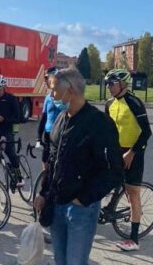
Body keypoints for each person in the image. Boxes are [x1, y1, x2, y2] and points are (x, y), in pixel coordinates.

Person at [33, 67, 123, 265]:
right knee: (60, 260)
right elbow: (53, 162)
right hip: (56, 203)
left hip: (81, 209)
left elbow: (114, 170)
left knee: (75, 262)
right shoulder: (61, 119)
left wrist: (84, 199)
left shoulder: (99, 123)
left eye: (55, 90)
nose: (52, 95)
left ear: (70, 90)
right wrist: (43, 192)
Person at [105, 69, 153, 252]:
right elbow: (107, 130)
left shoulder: (134, 103)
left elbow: (147, 132)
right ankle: (109, 208)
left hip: (133, 153)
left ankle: (134, 239)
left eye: (112, 84)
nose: (109, 87)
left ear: (123, 84)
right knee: (102, 181)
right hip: (116, 151)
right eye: (107, 84)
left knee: (133, 194)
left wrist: (132, 152)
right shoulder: (109, 104)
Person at [36, 67, 66, 170]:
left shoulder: (65, 95)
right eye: (45, 79)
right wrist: (38, 137)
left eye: (47, 78)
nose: (45, 81)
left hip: (60, 134)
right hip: (48, 134)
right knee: (45, 160)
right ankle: (45, 179)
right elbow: (43, 118)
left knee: (58, 163)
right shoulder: (47, 97)